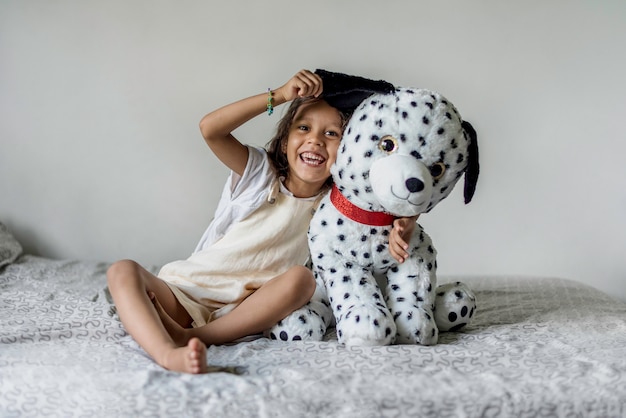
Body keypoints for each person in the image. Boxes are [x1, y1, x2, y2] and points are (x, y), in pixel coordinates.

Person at [107, 69, 417, 374]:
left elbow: (396, 202)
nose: (315, 141)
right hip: (184, 294)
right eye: (304, 128)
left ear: (347, 152)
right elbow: (210, 128)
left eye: (332, 134)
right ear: (284, 142)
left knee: (301, 280)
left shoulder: (337, 205)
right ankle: (165, 353)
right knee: (122, 270)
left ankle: (191, 338)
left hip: (241, 314)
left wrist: (404, 226)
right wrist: (280, 95)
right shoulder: (260, 173)